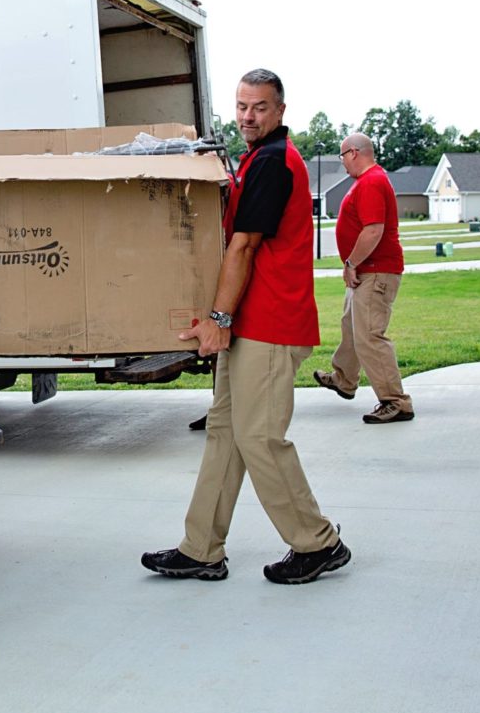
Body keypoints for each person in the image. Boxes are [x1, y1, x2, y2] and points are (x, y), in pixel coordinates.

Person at [141, 69, 351, 585]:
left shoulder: (275, 163)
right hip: (252, 321)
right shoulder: (256, 159)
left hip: (272, 322)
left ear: (280, 110)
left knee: (257, 435)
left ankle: (318, 542)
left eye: (259, 107)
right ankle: (201, 548)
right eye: (241, 106)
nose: (247, 116)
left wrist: (217, 320)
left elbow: (244, 245)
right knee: (224, 434)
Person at [313, 133, 415, 424]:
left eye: (342, 156)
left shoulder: (371, 182)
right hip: (366, 270)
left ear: (354, 152)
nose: (342, 162)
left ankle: (395, 401)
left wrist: (351, 263)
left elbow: (373, 231)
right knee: (351, 325)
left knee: (370, 336)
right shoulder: (368, 181)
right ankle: (344, 379)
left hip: (374, 271)